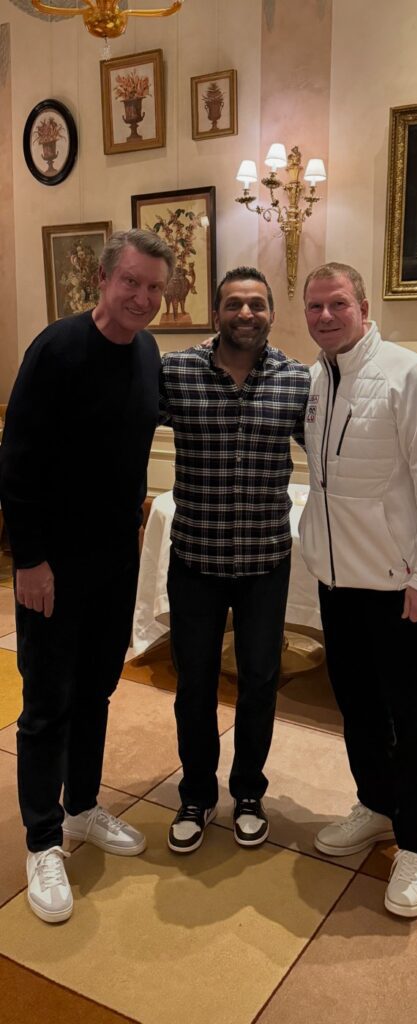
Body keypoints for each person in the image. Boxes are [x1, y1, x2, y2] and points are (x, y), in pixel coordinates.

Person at [0, 228, 174, 923]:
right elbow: (16, 462)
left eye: (155, 288)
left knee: (98, 689)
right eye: (131, 282)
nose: (142, 298)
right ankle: (42, 838)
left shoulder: (148, 352)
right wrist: (30, 561)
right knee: (48, 700)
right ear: (101, 280)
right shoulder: (58, 349)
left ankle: (83, 806)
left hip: (113, 556)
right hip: (53, 561)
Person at [300, 261, 417, 918]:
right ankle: (375, 805)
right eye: (314, 307)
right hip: (340, 585)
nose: (324, 316)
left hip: (400, 590)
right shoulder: (315, 380)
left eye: (337, 304)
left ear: (364, 308)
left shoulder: (407, 374)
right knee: (359, 710)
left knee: (415, 723)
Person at [160, 267, 310, 854]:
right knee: (193, 684)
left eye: (256, 304)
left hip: (265, 562)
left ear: (271, 312)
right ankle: (196, 794)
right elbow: (117, 431)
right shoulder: (175, 372)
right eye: (233, 304)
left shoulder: (297, 381)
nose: (245, 314)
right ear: (216, 311)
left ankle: (248, 791)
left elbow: (332, 454)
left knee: (260, 681)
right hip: (195, 557)